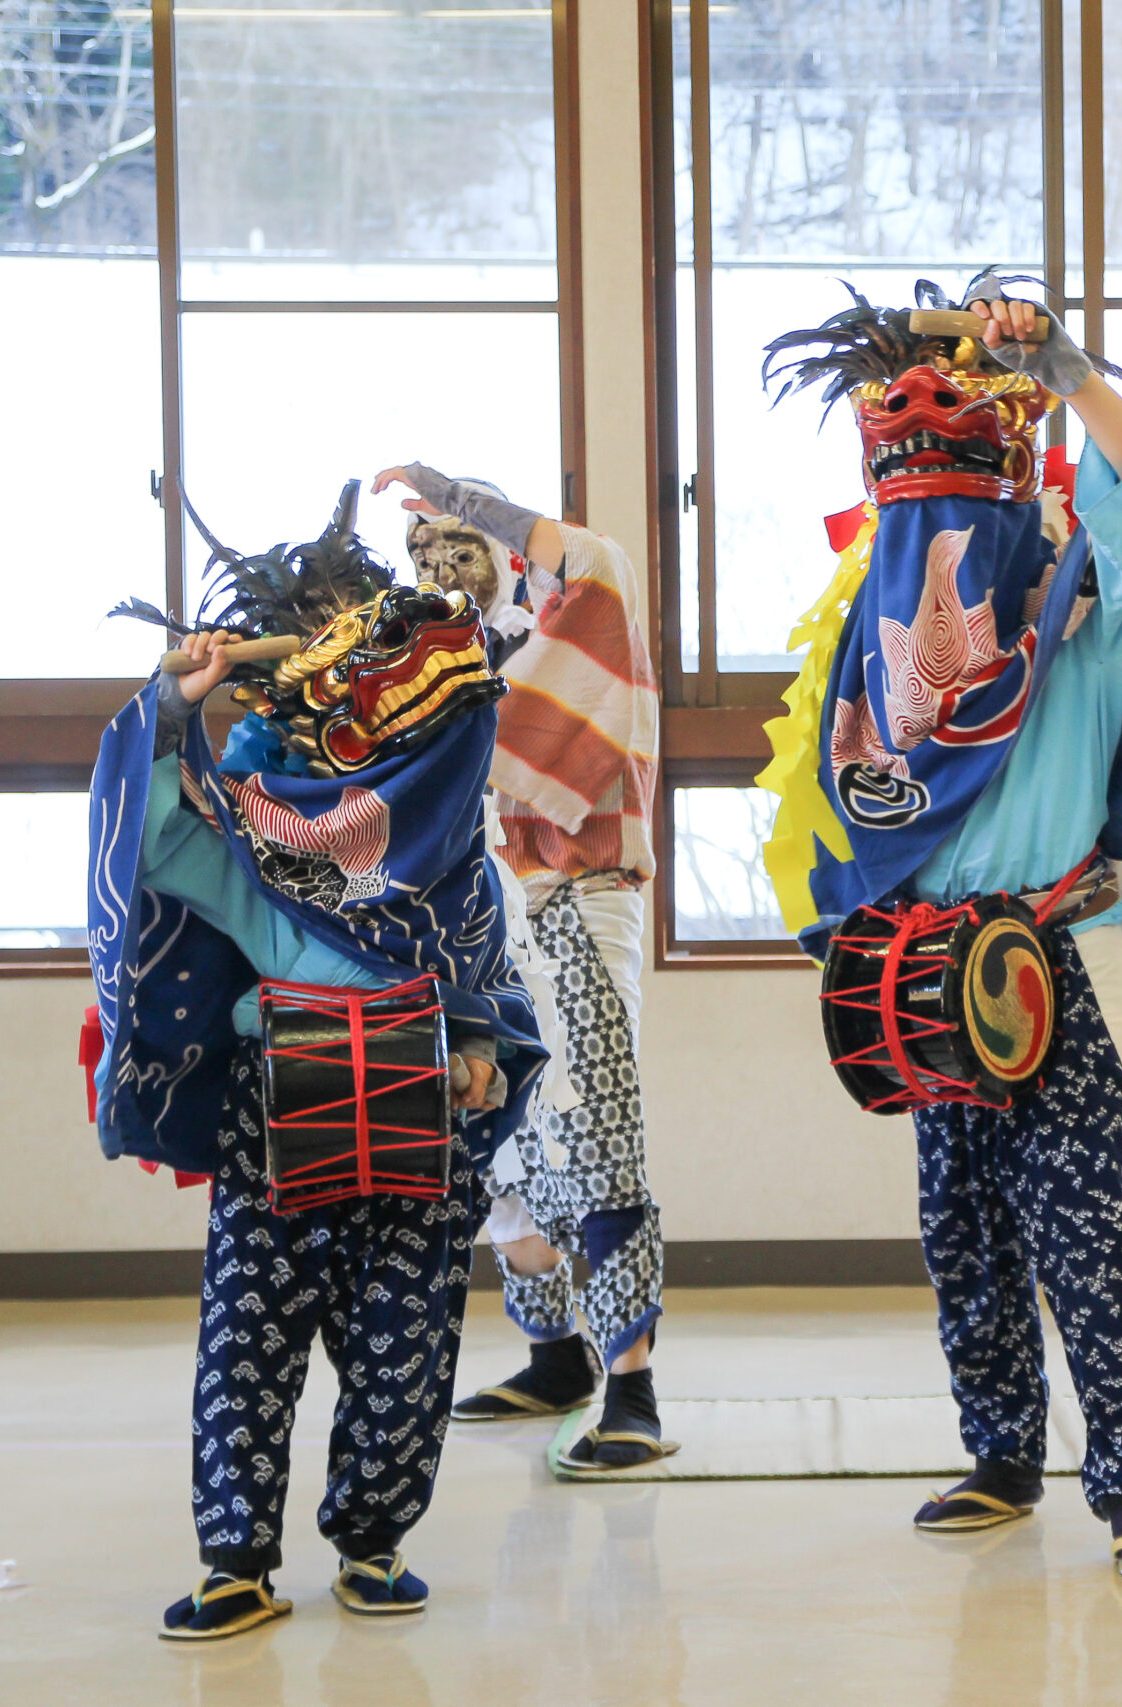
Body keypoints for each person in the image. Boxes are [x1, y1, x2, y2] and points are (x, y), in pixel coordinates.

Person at [758, 271, 1122, 1579]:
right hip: (924, 962)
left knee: (1085, 1229)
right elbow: (838, 807)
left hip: (1050, 952)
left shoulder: (1074, 616)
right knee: (961, 1226)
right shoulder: (876, 657)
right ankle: (1003, 1451)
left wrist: (1064, 369)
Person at [86, 485, 544, 1639]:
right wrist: (170, 704)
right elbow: (150, 834)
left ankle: (373, 1539)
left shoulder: (451, 855)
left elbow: (483, 971)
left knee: (409, 1338)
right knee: (249, 1338)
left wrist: (481, 1044)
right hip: (274, 1105)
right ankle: (236, 1558)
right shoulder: (252, 833)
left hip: (419, 1105)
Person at [367, 462, 671, 1480]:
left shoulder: (569, 631)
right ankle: (554, 1359)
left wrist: (464, 492)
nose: (438, 567)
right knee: (488, 1149)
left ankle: (632, 1387)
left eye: (460, 546)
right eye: (419, 552)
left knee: (589, 1130)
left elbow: (597, 560)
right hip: (474, 925)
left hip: (576, 901)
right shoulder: (430, 669)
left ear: (507, 558)